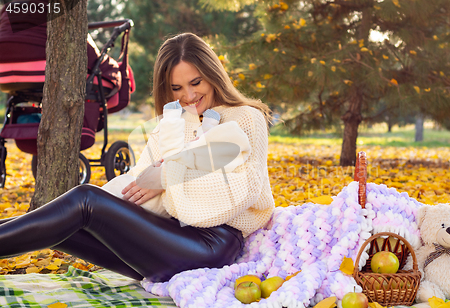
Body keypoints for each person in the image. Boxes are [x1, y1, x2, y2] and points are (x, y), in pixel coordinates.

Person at [0, 32, 275, 282]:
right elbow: (141, 183)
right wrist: (148, 186)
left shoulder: (245, 118)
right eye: (177, 88)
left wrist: (165, 177)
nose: (189, 96)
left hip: (209, 244)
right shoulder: (172, 122)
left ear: (212, 74)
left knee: (85, 200)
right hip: (159, 240)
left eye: (196, 82)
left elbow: (240, 191)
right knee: (62, 226)